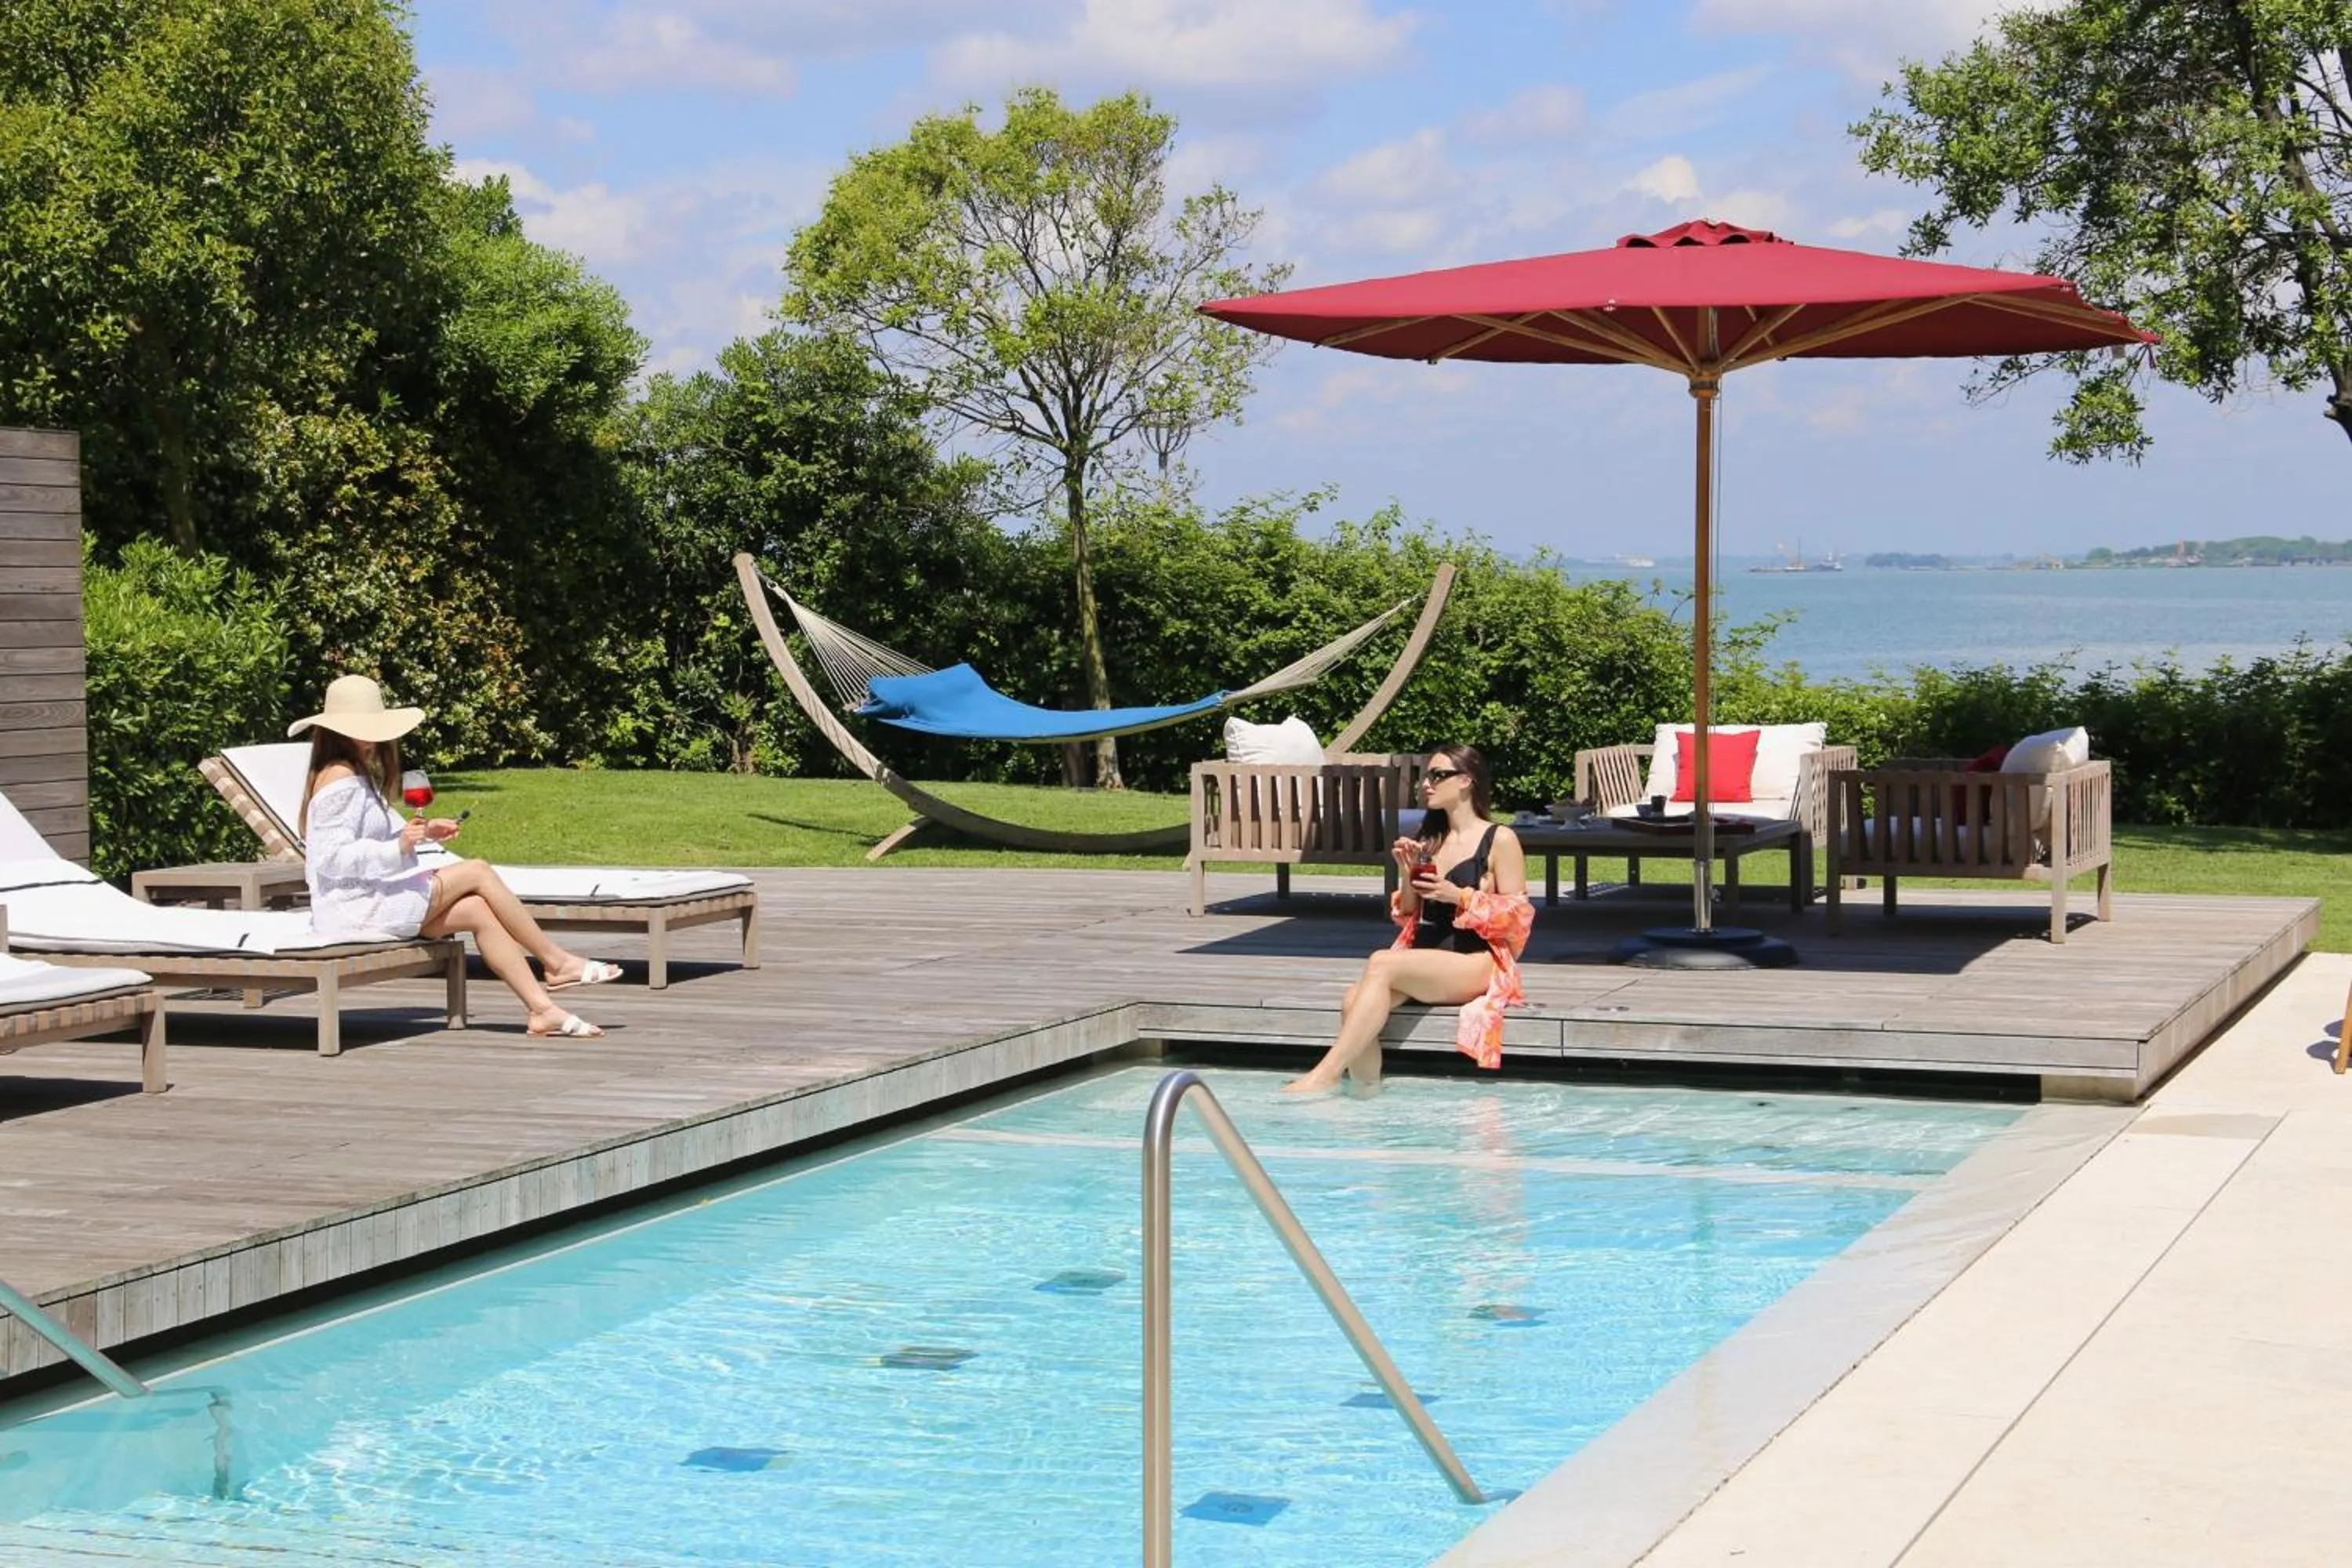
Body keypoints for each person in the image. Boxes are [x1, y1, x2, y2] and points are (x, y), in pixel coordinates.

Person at [291, 674, 619, 1040]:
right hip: (354, 908)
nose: (372, 735)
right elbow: (330, 858)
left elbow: (381, 832)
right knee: (478, 870)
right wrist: (398, 847)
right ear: (339, 730)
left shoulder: (353, 773)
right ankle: (556, 962)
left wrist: (425, 832)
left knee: (478, 909)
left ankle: (542, 1010)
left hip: (370, 899)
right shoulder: (340, 777)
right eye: (362, 727)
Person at [1284, 744, 1536, 1094]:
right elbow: (1408, 914)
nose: (1426, 784)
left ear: (1466, 781)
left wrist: (1459, 895)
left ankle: (1323, 1075)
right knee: (1352, 999)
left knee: (1381, 962)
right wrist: (1407, 876)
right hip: (1428, 958)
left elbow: (1519, 920)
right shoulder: (1430, 838)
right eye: (1425, 777)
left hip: (1475, 962)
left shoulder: (1500, 839)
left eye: (1437, 776)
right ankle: (1364, 1094)